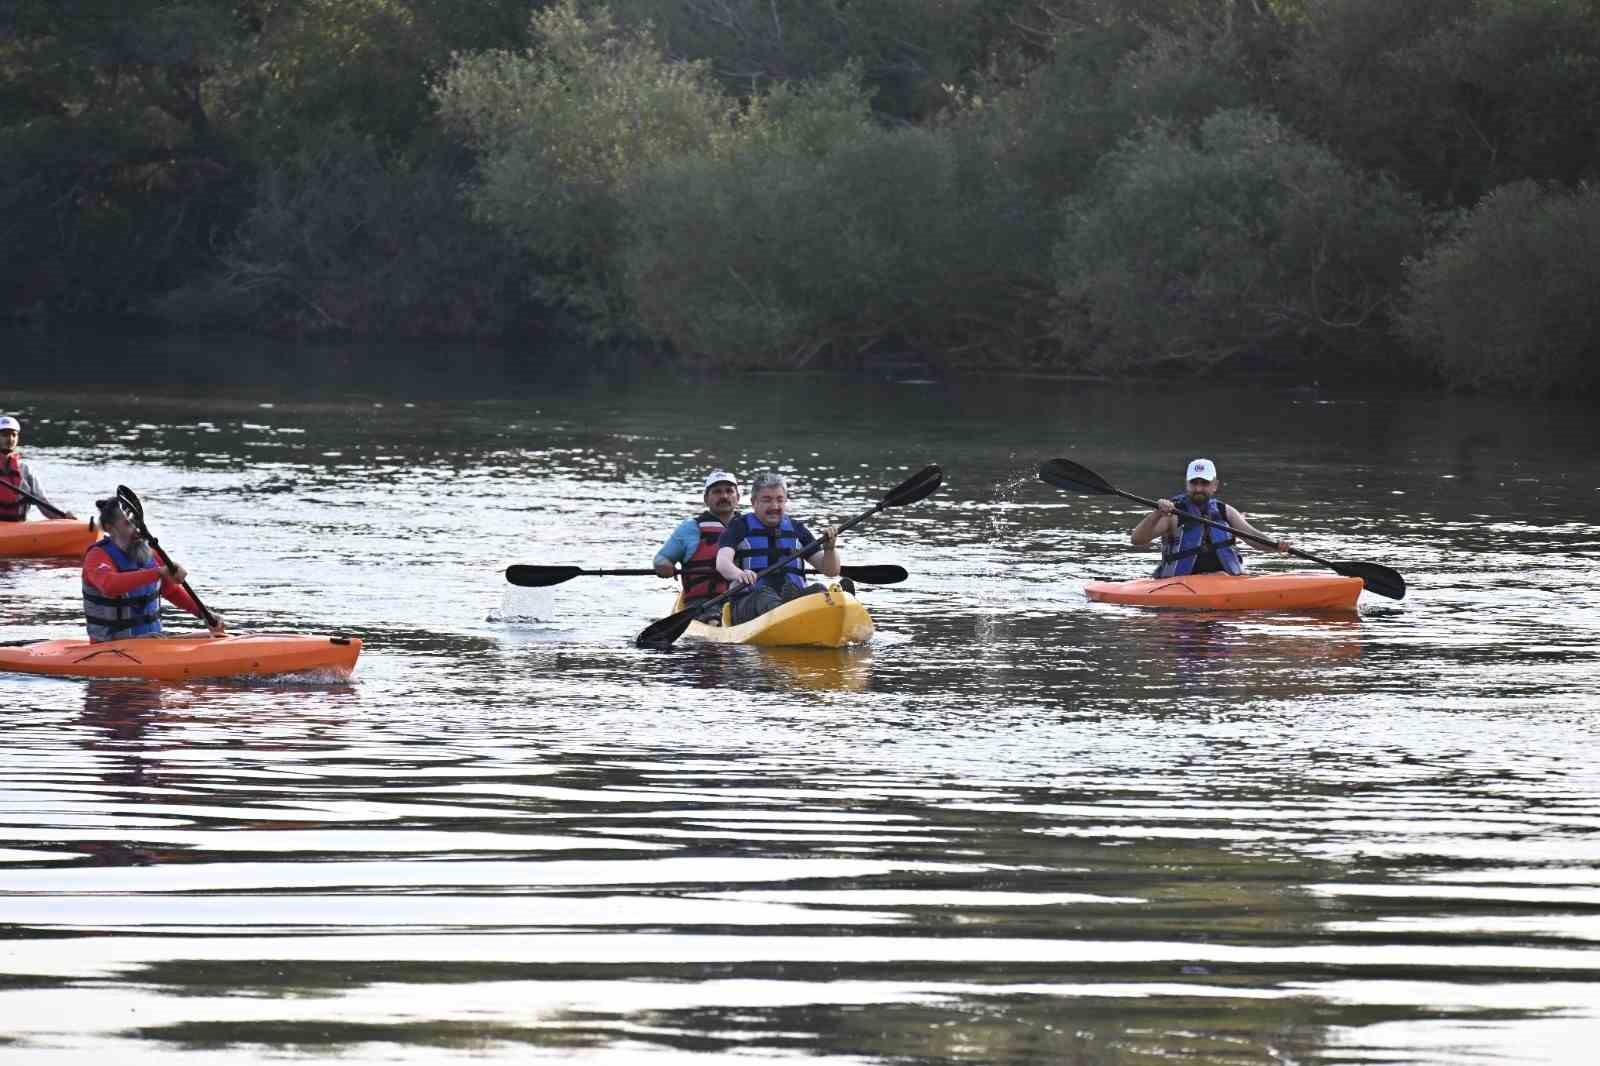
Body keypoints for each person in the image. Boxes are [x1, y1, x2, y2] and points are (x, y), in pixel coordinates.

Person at [82, 495, 226, 642]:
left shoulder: (149, 554)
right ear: (109, 528)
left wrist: (203, 614)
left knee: (218, 637)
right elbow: (109, 585)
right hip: (110, 648)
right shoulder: (97, 556)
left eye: (137, 522)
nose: (136, 529)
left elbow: (172, 592)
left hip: (154, 643)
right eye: (128, 524)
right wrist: (158, 572)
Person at [715, 471, 844, 626]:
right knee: (764, 595)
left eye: (780, 500)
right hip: (749, 601)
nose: (774, 506)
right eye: (767, 500)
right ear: (754, 502)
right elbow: (722, 563)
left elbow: (831, 570)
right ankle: (787, 619)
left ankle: (818, 616)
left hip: (792, 601)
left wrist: (830, 549)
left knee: (819, 589)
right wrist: (740, 574)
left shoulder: (797, 529)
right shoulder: (739, 526)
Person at [1131, 458, 1290, 578]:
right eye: (1194, 483)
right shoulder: (1173, 514)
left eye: (1204, 483)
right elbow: (1137, 539)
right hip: (1181, 584)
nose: (1199, 488)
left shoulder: (1225, 511)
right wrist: (1156, 513)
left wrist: (1276, 546)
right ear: (1187, 484)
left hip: (1226, 581)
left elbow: (1253, 538)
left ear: (1215, 485)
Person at [654, 470, 742, 613]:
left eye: (729, 491)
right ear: (706, 499)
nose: (724, 496)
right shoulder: (690, 528)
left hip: (742, 598)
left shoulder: (750, 526)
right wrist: (664, 566)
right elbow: (661, 559)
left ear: (737, 497)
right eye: (717, 492)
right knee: (713, 617)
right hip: (704, 601)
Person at [0, 415, 49, 522]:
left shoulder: (25, 470)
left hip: (19, 528)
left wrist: (64, 518)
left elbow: (43, 502)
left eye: (14, 435)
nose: (10, 439)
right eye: (5, 435)